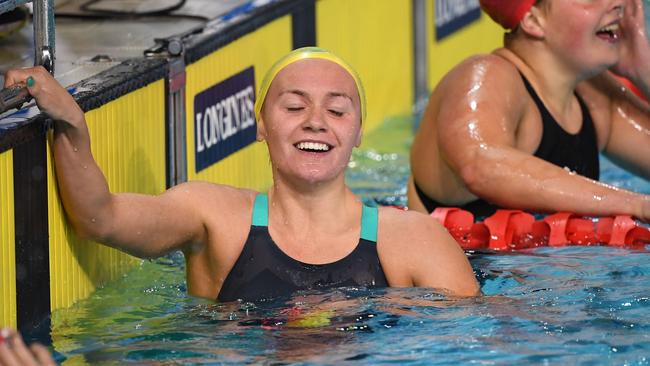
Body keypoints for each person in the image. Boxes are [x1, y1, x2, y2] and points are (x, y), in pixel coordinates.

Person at [4, 47, 479, 302]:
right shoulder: (213, 216)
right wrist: (71, 121)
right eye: (294, 106)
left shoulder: (415, 240)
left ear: (356, 134)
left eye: (337, 110)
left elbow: (473, 344)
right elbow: (99, 219)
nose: (316, 121)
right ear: (260, 126)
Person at [408, 0, 650, 220]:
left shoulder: (591, 95)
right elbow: (481, 167)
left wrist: (644, 72)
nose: (618, 3)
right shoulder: (486, 78)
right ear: (533, 20)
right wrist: (635, 205)